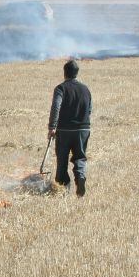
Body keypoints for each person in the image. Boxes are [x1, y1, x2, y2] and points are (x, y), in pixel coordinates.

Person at [48, 60, 92, 196]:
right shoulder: (86, 89)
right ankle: (80, 177)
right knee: (80, 157)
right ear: (76, 73)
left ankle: (63, 189)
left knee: (62, 158)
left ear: (64, 73)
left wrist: (52, 126)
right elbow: (89, 110)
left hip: (65, 130)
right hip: (83, 129)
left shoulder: (60, 88)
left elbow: (56, 107)